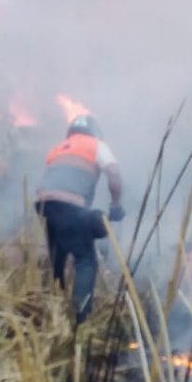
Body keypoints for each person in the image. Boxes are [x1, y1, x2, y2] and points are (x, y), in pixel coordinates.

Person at [34, 114, 124, 323]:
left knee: (58, 254)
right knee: (86, 260)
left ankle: (50, 308)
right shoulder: (96, 145)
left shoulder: (59, 148)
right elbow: (113, 172)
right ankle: (79, 318)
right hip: (70, 204)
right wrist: (116, 204)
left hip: (44, 203)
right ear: (94, 132)